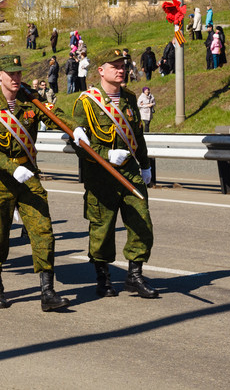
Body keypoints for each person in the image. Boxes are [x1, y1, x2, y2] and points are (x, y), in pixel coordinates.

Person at [0, 54, 87, 311]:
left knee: (42, 229)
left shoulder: (30, 102)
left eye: (19, 73)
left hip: (28, 174)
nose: (15, 78)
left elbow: (53, 114)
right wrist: (12, 169)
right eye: (10, 73)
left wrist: (74, 128)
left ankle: (47, 292)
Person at [71, 48, 157, 300]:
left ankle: (135, 275)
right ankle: (103, 278)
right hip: (102, 176)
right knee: (102, 229)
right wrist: (105, 154)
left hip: (130, 173)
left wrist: (145, 165)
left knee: (142, 222)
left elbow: (138, 137)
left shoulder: (130, 99)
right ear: (100, 71)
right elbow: (80, 146)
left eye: (123, 66)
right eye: (115, 66)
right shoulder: (85, 103)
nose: (121, 70)